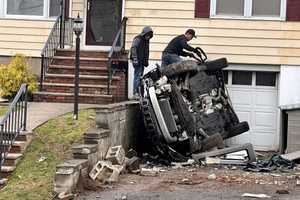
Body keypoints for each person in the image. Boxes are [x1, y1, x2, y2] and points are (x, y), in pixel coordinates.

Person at [130, 26, 153, 97]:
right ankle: (135, 93)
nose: (148, 37)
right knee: (137, 76)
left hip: (142, 62)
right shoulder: (137, 39)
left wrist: (146, 61)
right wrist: (135, 59)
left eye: (149, 36)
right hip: (137, 61)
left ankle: (139, 93)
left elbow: (146, 52)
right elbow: (133, 48)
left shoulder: (146, 41)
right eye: (147, 35)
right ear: (144, 34)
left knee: (140, 77)